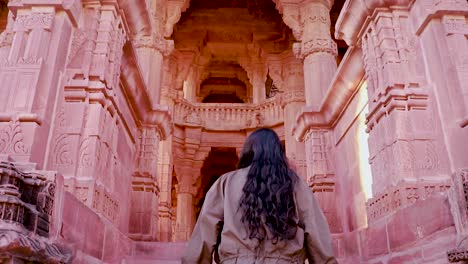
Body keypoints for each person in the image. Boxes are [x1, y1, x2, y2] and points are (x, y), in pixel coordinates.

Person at [182, 128, 337, 264]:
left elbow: (204, 235)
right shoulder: (296, 184)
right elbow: (317, 236)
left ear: (248, 151)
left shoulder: (226, 183)